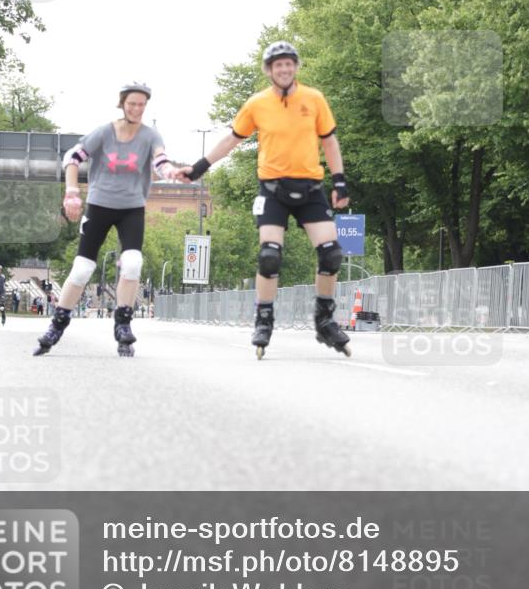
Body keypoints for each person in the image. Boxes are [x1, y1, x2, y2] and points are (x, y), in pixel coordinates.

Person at [176, 41, 351, 358]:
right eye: (277, 65)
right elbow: (232, 139)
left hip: (311, 188)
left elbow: (330, 142)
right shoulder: (257, 104)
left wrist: (339, 181)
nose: (284, 69)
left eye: (289, 64)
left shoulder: (314, 99)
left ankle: (324, 320)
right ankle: (264, 319)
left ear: (295, 67)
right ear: (269, 71)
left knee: (331, 255)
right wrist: (199, 168)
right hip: (272, 190)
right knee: (270, 256)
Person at [33, 82, 178, 357]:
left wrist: (170, 170)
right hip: (99, 205)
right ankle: (57, 324)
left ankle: (122, 324)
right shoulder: (104, 133)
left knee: (133, 263)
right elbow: (73, 157)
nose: (136, 108)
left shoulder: (150, 136)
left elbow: (160, 160)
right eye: (132, 103)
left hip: (132, 208)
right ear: (122, 104)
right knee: (82, 269)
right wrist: (72, 193)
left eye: (141, 104)